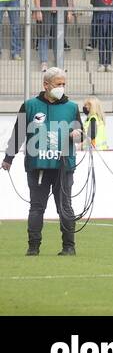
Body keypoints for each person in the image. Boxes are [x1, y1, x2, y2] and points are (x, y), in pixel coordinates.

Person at [2, 68, 82, 256]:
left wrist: (77, 134)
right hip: (38, 166)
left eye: (63, 84)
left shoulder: (72, 107)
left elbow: (82, 134)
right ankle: (33, 247)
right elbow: (18, 133)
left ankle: (69, 247)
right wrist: (8, 158)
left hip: (63, 166)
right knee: (37, 207)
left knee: (65, 207)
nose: (61, 87)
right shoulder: (29, 106)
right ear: (46, 85)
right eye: (58, 84)